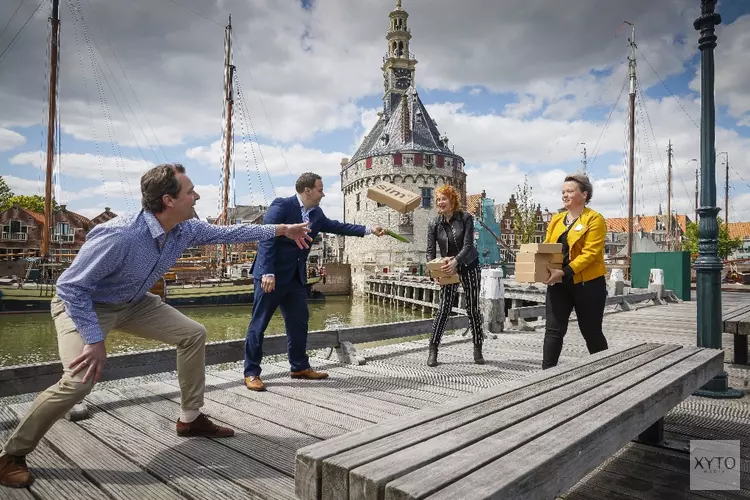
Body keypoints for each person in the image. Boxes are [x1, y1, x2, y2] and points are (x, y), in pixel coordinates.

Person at [0, 163, 311, 489]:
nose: (197, 196)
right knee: (79, 383)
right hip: (84, 306)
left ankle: (190, 419)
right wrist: (94, 339)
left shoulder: (185, 228)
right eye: (190, 192)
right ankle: (11, 454)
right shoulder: (120, 236)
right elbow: (71, 288)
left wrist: (282, 229)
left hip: (133, 302)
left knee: (193, 334)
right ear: (168, 200)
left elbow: (229, 232)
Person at [243, 172, 386, 391]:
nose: (323, 193)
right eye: (320, 189)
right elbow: (266, 239)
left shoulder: (316, 214)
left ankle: (299, 366)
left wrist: (368, 229)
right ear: (307, 190)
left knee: (299, 322)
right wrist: (267, 273)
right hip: (271, 277)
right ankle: (251, 372)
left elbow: (338, 226)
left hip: (295, 279)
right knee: (259, 324)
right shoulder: (282, 206)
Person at [541, 173, 608, 369]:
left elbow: (590, 254)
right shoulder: (557, 219)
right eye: (563, 192)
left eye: (570, 191)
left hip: (587, 284)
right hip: (558, 282)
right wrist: (538, 266)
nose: (565, 195)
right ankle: (545, 377)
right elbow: (547, 246)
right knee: (553, 330)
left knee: (591, 331)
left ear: (584, 195)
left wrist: (564, 271)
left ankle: (605, 370)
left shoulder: (595, 219)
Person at [426, 184, 484, 367]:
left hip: (468, 265)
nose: (441, 202)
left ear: (453, 200)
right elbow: (430, 252)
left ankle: (477, 347)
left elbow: (468, 245)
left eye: (444, 198)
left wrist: (455, 262)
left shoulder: (466, 218)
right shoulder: (434, 223)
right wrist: (433, 271)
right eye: (439, 199)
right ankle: (433, 349)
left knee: (473, 309)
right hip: (446, 268)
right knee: (443, 309)